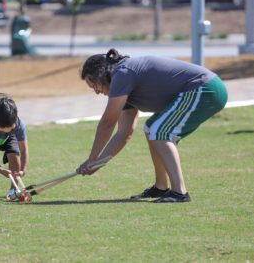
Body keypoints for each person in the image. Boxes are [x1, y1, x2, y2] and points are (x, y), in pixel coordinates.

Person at [76, 48, 228, 203]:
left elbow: (108, 123)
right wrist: (98, 163)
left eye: (94, 85)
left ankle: (179, 192)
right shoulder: (122, 83)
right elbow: (124, 132)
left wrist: (92, 158)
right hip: (204, 88)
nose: (96, 92)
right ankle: (161, 186)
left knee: (160, 131)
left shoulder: (122, 74)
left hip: (206, 88)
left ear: (102, 75)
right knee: (151, 128)